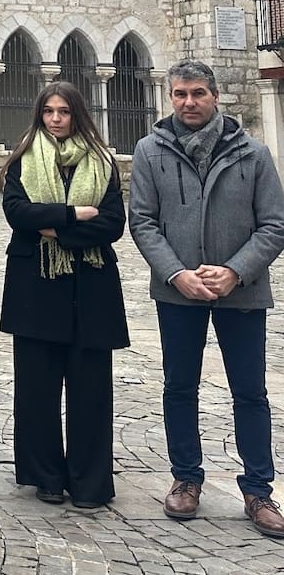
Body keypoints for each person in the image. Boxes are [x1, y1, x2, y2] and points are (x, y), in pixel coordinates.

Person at [130, 59, 284, 538]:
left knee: (250, 391)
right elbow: (143, 221)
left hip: (241, 291)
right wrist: (176, 274)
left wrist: (235, 271)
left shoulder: (253, 154)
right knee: (179, 387)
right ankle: (186, 478)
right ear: (169, 97)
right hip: (178, 293)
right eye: (179, 94)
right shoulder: (149, 151)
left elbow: (275, 224)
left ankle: (259, 489)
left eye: (197, 93)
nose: (188, 102)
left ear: (215, 96)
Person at [0, 81, 128, 507]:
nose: (56, 119)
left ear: (77, 115)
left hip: (90, 289)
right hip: (36, 285)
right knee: (37, 386)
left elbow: (112, 224)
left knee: (91, 388)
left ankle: (90, 481)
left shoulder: (102, 162)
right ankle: (46, 476)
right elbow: (17, 212)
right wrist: (75, 214)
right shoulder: (23, 158)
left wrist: (54, 228)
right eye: (49, 111)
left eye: (64, 112)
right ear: (40, 114)